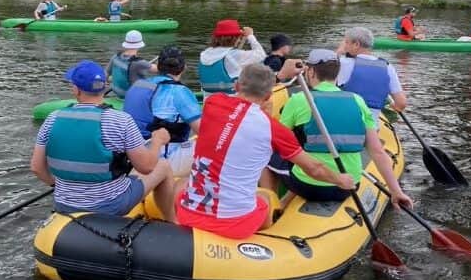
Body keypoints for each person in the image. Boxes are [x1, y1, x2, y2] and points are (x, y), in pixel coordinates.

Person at [176, 64, 355, 240]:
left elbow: (240, 127)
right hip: (234, 224)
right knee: (266, 197)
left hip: (188, 215)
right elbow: (314, 168)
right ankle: (265, 239)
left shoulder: (213, 103)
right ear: (269, 96)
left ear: (237, 85)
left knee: (181, 184)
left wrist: (279, 76)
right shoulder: (273, 129)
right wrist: (340, 180)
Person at [265, 50, 412, 209]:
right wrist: (396, 191)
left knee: (267, 156)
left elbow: (276, 141)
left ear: (311, 71)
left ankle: (270, 207)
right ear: (337, 74)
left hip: (308, 186)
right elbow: (377, 152)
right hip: (349, 185)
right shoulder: (358, 100)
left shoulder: (299, 100)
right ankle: (286, 200)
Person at [30, 60, 175, 221]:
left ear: (76, 90)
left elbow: (37, 167)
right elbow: (146, 167)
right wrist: (157, 141)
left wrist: (56, 185)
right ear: (104, 87)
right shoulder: (121, 120)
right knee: (163, 165)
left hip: (64, 204)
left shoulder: (52, 119)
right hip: (112, 204)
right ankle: (171, 222)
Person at [123, 45, 202, 177]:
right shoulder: (180, 92)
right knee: (217, 141)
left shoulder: (137, 85)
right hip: (158, 160)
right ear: (184, 67)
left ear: (158, 66)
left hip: (131, 156)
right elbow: (203, 131)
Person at [336, 26, 407, 116]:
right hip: (372, 127)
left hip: (344, 121)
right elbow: (401, 103)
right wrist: (393, 105)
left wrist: (338, 52)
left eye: (346, 42)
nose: (345, 46)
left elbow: (324, 69)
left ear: (356, 44)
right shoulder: (388, 67)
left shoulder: (342, 63)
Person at [198, 18, 266, 96]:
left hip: (208, 101)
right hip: (230, 102)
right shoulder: (234, 55)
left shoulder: (205, 53)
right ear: (235, 38)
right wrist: (250, 35)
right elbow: (261, 55)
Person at [106, 30, 154, 98]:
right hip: (130, 97)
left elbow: (106, 72)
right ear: (140, 45)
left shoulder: (116, 57)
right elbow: (160, 69)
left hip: (116, 93)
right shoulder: (139, 63)